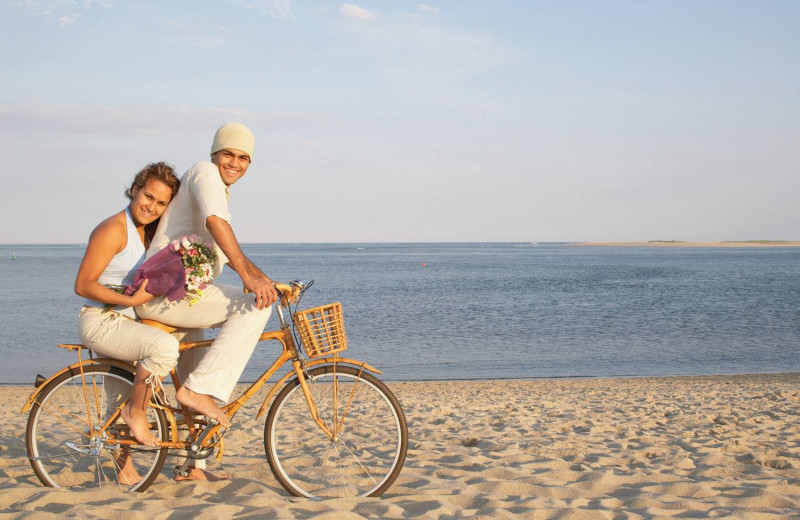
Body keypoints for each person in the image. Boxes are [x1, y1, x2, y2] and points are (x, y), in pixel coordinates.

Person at [136, 123, 278, 435]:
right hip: (164, 294)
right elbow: (215, 222)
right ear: (214, 154)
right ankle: (199, 391)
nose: (234, 163)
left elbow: (227, 250)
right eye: (228, 153)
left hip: (185, 296)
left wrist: (265, 279)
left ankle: (193, 466)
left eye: (243, 158)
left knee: (195, 373)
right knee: (254, 307)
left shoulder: (214, 188)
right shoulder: (205, 173)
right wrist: (250, 282)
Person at [74, 162, 181, 451]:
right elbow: (83, 284)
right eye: (148, 196)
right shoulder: (113, 229)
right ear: (135, 190)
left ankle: (125, 470)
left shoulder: (146, 231)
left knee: (119, 396)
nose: (152, 206)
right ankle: (137, 413)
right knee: (165, 348)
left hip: (125, 321)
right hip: (102, 320)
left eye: (161, 203)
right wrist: (131, 301)